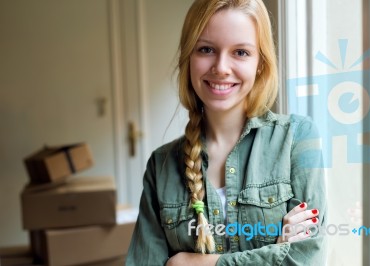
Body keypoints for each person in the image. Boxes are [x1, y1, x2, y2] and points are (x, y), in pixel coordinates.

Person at [126, 0, 327, 265]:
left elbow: (308, 259)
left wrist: (193, 262)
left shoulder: (297, 138)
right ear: (189, 58)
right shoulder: (161, 165)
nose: (221, 67)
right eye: (206, 49)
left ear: (260, 63)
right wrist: (275, 254)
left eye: (241, 52)